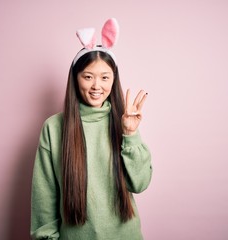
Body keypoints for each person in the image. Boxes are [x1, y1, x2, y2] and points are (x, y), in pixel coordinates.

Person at [30, 18, 152, 240]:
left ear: (113, 80)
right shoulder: (54, 128)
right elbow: (44, 199)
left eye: (105, 77)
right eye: (88, 77)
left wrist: (130, 135)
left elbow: (141, 183)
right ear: (75, 79)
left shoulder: (123, 122)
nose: (97, 86)